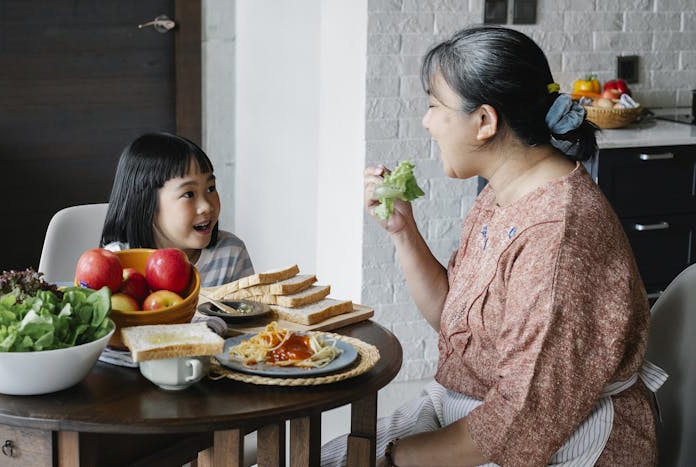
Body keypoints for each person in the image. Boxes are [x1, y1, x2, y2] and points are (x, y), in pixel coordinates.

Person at [322, 26, 666, 466]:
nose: (426, 122)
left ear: (484, 121)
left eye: (433, 106)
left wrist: (398, 458)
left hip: (560, 441)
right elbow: (454, 318)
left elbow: (523, 420)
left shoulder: (557, 235)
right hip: (477, 412)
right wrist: (402, 231)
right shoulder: (504, 192)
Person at [101, 132, 254, 287]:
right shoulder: (117, 262)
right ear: (147, 203)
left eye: (210, 188)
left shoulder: (231, 253)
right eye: (189, 194)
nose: (206, 206)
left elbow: (251, 310)